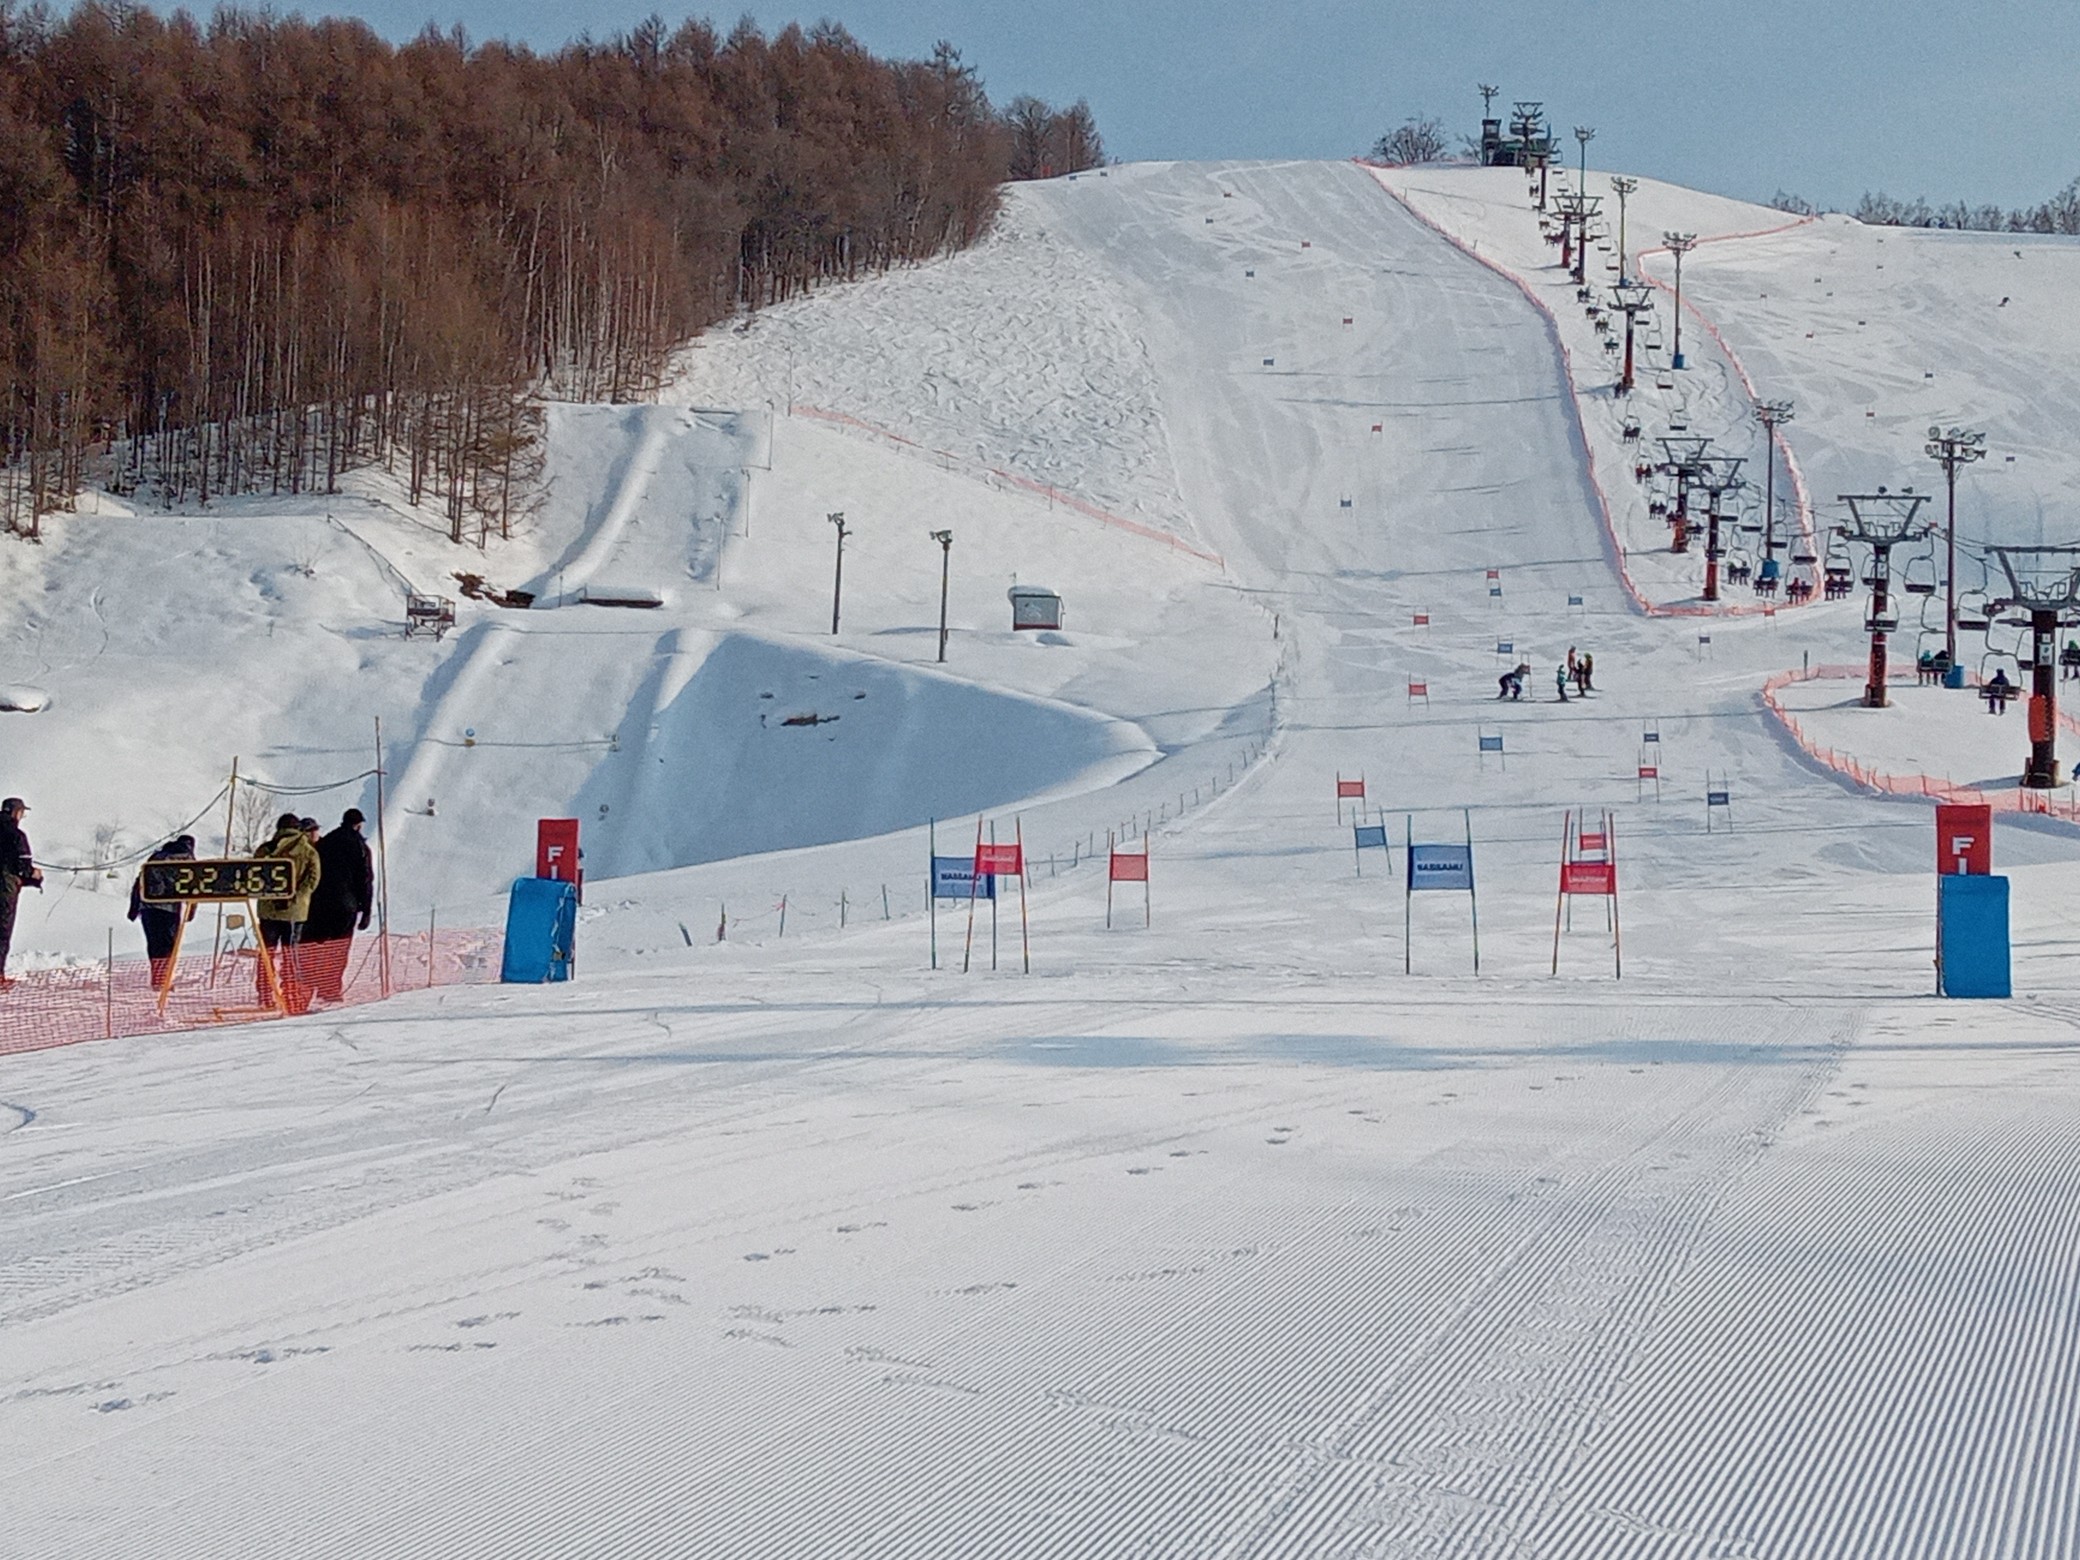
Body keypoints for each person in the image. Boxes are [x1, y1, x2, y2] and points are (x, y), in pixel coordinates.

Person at [305, 809, 375, 1004]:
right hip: (346, 905)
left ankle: (313, 986)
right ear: (359, 824)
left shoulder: (325, 842)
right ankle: (330, 988)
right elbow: (366, 880)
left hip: (319, 904)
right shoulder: (360, 846)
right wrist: (366, 910)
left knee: (318, 947)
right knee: (338, 948)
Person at [255, 811, 321, 1012]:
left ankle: (266, 995)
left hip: (267, 911)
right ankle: (292, 995)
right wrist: (297, 897)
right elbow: (313, 879)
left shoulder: (265, 849)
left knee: (266, 954)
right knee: (291, 955)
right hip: (295, 912)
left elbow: (254, 876)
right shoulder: (308, 851)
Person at [128, 835, 197, 990]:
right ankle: (163, 980)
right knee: (168, 946)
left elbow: (139, 881)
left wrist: (133, 908)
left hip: (147, 908)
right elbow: (194, 886)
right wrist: (191, 909)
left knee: (154, 944)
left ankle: (157, 978)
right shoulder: (186, 858)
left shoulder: (157, 856)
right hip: (169, 909)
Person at [0, 796, 44, 988]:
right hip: (5, 888)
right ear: (16, 813)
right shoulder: (17, 835)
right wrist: (35, 875)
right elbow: (23, 867)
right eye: (22, 813)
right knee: (2, 931)